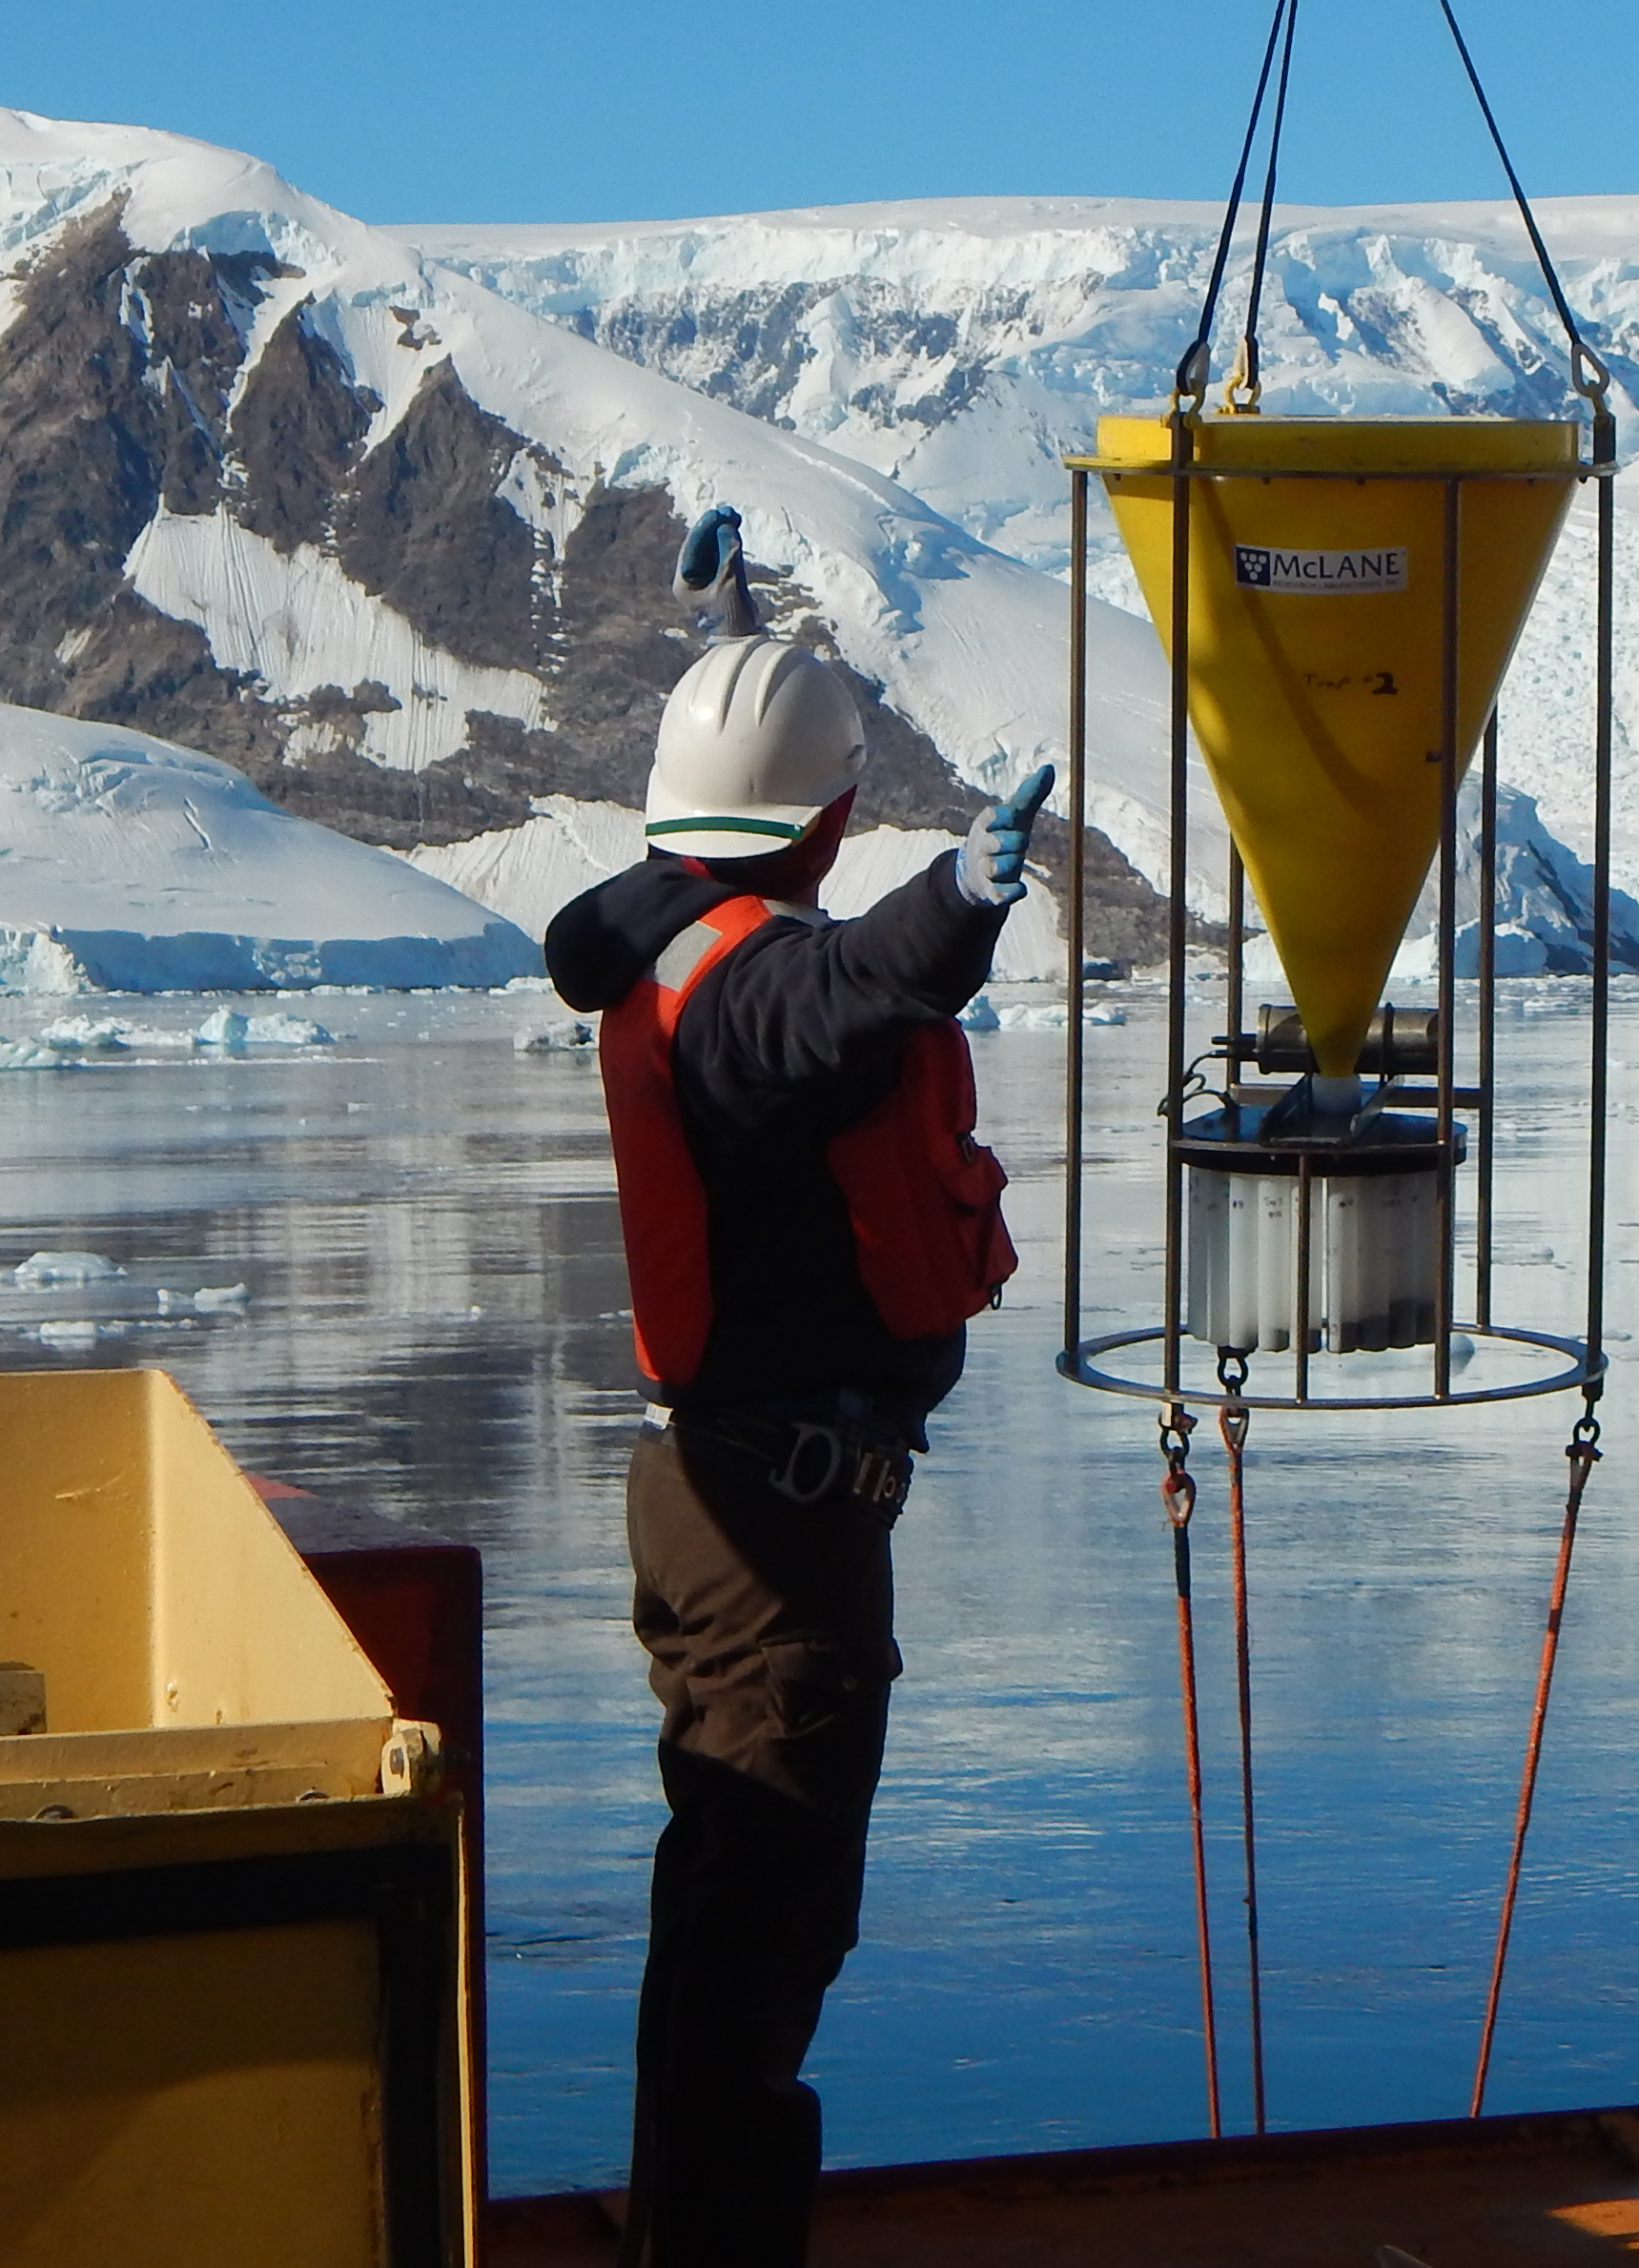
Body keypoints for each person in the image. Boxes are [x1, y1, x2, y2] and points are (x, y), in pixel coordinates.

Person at [545, 507, 1056, 2267]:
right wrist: (966, 893)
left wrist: (736, 638)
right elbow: (849, 986)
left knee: (727, 1906)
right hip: (775, 1523)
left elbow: (767, 862)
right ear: (830, 818)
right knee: (764, 1917)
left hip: (730, 1491)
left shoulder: (676, 939)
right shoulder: (756, 996)